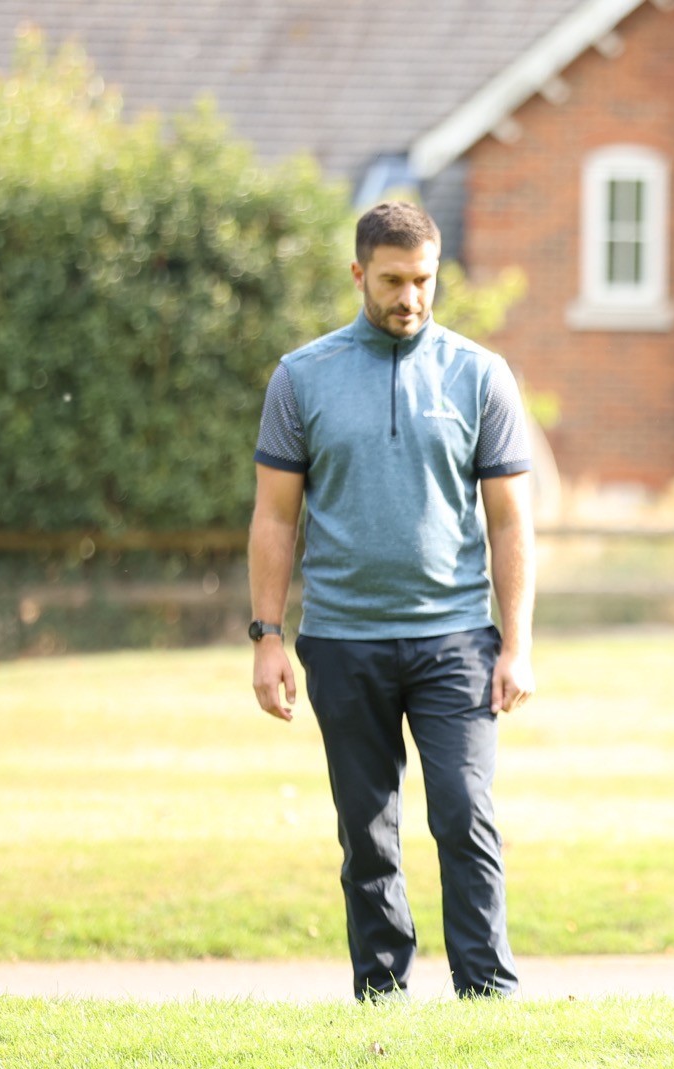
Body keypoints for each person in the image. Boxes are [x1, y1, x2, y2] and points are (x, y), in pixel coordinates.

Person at [247, 201, 535, 1000]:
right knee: (367, 830)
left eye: (423, 280)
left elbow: (510, 522)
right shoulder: (301, 377)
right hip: (343, 640)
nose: (410, 297)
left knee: (464, 814)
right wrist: (267, 636)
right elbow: (274, 517)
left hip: (456, 639)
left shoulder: (480, 375)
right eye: (393, 281)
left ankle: (488, 994)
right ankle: (381, 995)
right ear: (358, 275)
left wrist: (517, 644)